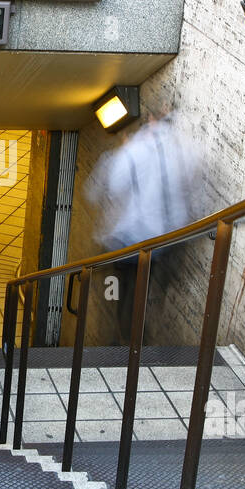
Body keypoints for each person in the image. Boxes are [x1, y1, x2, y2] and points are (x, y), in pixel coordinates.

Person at [85, 111, 200, 345]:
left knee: (119, 288)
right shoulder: (184, 151)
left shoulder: (133, 151)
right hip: (163, 241)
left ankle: (122, 341)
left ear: (150, 122)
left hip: (129, 239)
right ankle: (134, 339)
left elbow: (111, 187)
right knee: (140, 290)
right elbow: (192, 193)